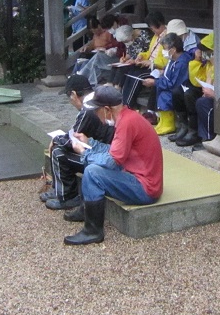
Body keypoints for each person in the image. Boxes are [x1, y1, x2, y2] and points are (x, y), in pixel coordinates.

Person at [63, 85, 163, 245]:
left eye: (97, 111)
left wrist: (84, 152)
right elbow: (115, 152)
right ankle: (86, 212)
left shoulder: (126, 123)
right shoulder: (128, 117)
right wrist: (91, 144)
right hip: (141, 179)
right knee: (94, 167)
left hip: (145, 188)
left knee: (92, 172)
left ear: (107, 110)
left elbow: (112, 161)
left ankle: (93, 230)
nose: (96, 116)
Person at [41, 74, 115, 211]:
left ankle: (68, 197)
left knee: (59, 152)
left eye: (69, 97)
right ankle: (59, 189)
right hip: (107, 151)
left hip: (105, 158)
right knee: (61, 146)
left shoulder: (88, 108)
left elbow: (73, 139)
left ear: (74, 94)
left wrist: (56, 139)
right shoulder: (97, 101)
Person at [170, 31, 214, 148]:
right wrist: (196, 61)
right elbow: (196, 80)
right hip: (205, 88)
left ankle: (194, 131)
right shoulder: (209, 63)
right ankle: (184, 126)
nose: (205, 54)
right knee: (177, 92)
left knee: (191, 96)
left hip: (215, 93)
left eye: (207, 51)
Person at [142, 32, 191, 135]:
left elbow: (174, 83)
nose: (164, 52)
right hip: (171, 85)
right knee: (158, 89)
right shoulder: (173, 59)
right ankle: (162, 121)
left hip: (181, 89)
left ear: (173, 50)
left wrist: (155, 82)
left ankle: (168, 124)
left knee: (164, 94)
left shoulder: (182, 62)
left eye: (165, 49)